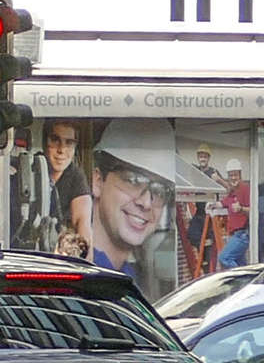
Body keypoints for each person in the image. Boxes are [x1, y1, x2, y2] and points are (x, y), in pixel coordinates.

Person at [81, 122, 181, 295]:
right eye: (133, 181)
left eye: (160, 190)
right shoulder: (83, 272)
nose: (146, 203)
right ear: (98, 181)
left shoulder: (125, 278)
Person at [42, 121, 91, 255]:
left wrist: (86, 268)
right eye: (55, 140)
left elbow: (83, 222)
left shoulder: (76, 176)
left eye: (69, 143)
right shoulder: (30, 169)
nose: (61, 150)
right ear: (43, 142)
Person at [216, 159, 252, 267]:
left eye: (235, 175)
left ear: (240, 175)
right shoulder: (232, 191)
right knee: (242, 266)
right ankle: (247, 281)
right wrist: (213, 204)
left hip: (242, 235)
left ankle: (237, 281)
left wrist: (241, 208)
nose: (233, 178)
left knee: (224, 257)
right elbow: (224, 202)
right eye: (230, 175)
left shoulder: (246, 189)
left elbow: (254, 210)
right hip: (235, 235)